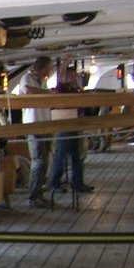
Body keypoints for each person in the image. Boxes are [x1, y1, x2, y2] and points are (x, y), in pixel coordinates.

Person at [48, 63, 93, 195]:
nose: (74, 77)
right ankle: (54, 183)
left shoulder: (74, 89)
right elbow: (60, 75)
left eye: (74, 75)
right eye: (71, 75)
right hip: (64, 127)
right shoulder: (61, 88)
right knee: (61, 156)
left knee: (77, 157)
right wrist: (64, 61)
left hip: (75, 126)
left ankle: (77, 183)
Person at [19, 55, 54, 208]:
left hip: (44, 124)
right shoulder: (27, 78)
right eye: (50, 67)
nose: (51, 70)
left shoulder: (43, 82)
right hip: (33, 126)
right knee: (38, 162)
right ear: (43, 68)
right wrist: (47, 94)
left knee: (44, 162)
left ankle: (39, 193)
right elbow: (27, 90)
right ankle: (33, 197)